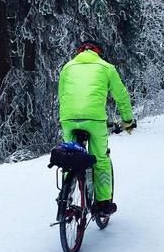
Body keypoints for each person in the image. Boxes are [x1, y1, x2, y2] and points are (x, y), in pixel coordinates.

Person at [58, 39, 135, 214]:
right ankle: (103, 205)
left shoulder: (67, 67)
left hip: (68, 118)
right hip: (94, 119)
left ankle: (65, 198)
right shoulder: (106, 67)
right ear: (98, 52)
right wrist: (127, 121)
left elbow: (62, 95)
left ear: (79, 52)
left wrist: (68, 117)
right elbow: (121, 96)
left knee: (68, 158)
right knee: (100, 159)